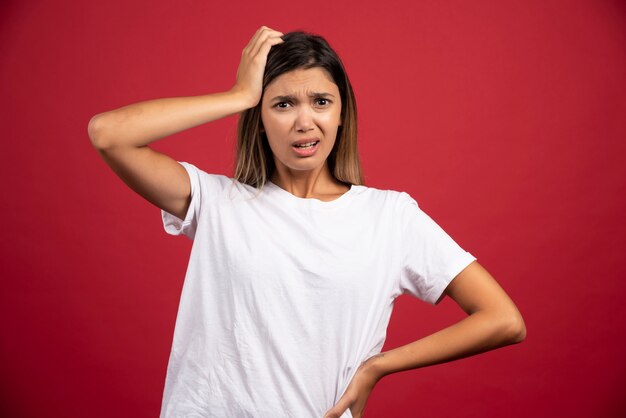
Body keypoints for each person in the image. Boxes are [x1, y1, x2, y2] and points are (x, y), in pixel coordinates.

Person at [88, 26, 526, 418]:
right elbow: (109, 134)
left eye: (321, 102)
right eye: (282, 103)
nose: (304, 121)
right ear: (259, 120)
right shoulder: (217, 202)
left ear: (340, 113)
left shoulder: (389, 217)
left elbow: (503, 319)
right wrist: (239, 95)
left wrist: (379, 365)